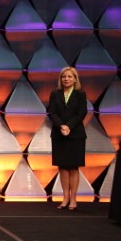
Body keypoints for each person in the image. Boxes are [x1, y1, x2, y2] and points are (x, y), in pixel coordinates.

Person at [47, 66, 87, 211]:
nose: (66, 79)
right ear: (60, 79)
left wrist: (69, 126)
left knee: (73, 167)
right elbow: (52, 112)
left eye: (70, 76)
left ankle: (73, 199)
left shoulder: (80, 94)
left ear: (75, 79)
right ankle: (65, 198)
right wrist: (61, 126)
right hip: (59, 134)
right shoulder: (55, 94)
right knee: (63, 167)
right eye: (64, 76)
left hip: (76, 135)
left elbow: (82, 113)